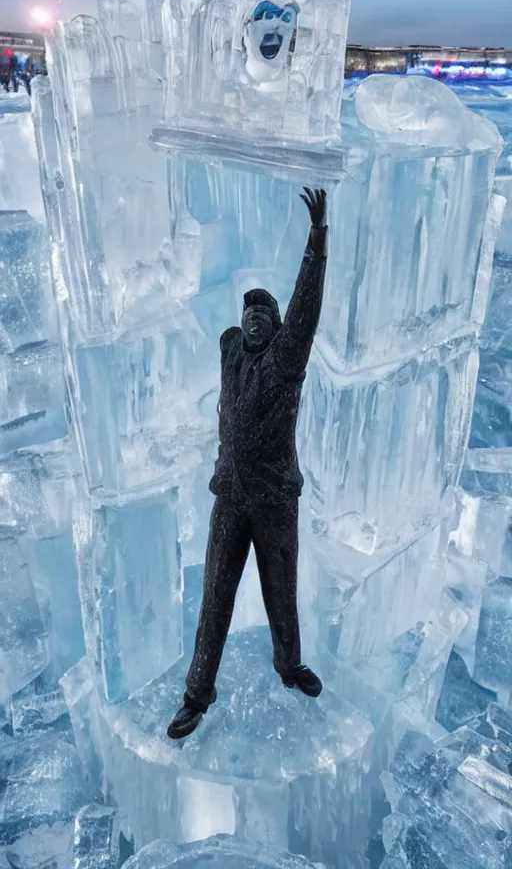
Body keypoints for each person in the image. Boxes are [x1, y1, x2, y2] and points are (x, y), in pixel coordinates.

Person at [168, 187, 329, 740]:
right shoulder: (230, 349)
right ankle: (196, 696)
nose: (255, 321)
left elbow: (305, 309)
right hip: (230, 495)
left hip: (275, 497)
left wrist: (317, 243)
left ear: (279, 324)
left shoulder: (287, 359)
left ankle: (289, 666)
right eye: (249, 313)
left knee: (280, 588)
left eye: (266, 314)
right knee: (215, 595)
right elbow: (223, 323)